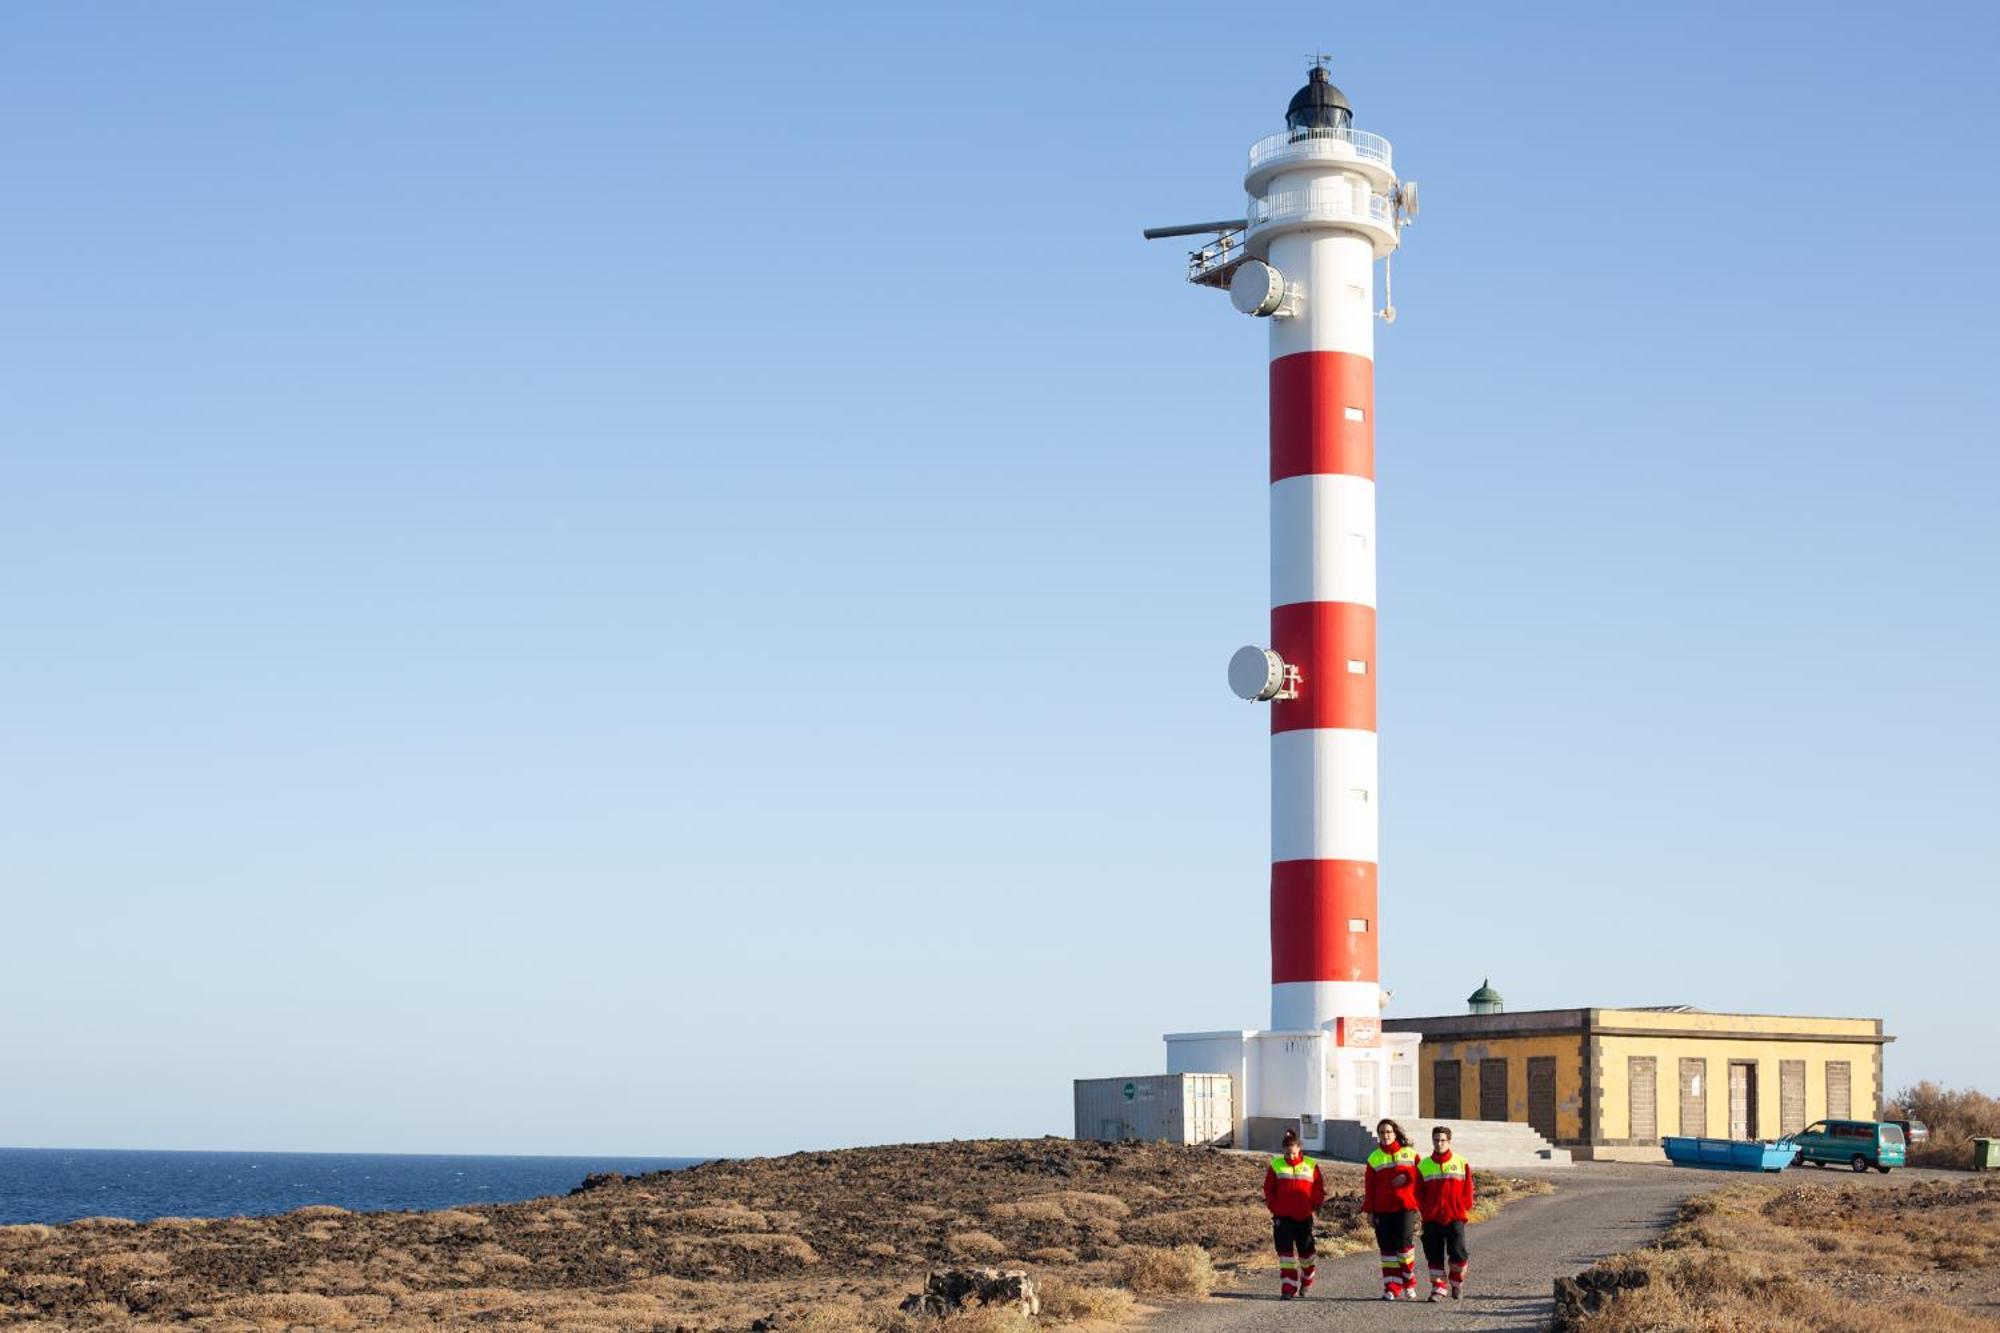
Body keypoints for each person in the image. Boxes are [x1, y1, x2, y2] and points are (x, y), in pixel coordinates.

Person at [1261, 1128, 1325, 1299]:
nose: (1290, 1157)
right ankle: (1288, 1288)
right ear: (1283, 1151)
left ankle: (1307, 1278)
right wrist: (1274, 1207)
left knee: (1307, 1255)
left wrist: (1313, 1205)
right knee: (1285, 1254)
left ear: (1299, 1150)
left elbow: (1319, 1189)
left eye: (1293, 1153)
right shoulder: (1276, 1165)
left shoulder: (1311, 1165)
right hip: (1282, 1217)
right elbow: (1269, 1189)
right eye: (1287, 1154)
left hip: (1304, 1217)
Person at [1362, 1118, 1422, 1300]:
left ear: (1395, 1133)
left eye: (1388, 1132)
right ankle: (1392, 1287)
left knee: (1404, 1247)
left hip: (1405, 1207)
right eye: (1381, 1132)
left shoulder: (1410, 1154)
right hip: (1382, 1210)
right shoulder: (1374, 1158)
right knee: (1387, 1249)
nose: (1385, 1135)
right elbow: (1369, 1187)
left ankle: (1409, 1281)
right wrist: (1369, 1211)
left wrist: (1407, 1176)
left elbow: (1422, 1174)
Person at [1416, 1125, 1474, 1300]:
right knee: (1434, 1254)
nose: (1439, 1143)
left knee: (1458, 1252)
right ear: (1432, 1141)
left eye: (1443, 1140)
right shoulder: (1423, 1165)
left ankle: (1456, 1283)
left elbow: (1468, 1189)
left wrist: (1463, 1208)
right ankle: (1439, 1288)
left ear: (1449, 1141)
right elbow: (1418, 1192)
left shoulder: (1461, 1162)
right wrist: (1425, 1211)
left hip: (1455, 1216)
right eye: (1436, 1140)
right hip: (1432, 1217)